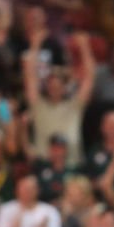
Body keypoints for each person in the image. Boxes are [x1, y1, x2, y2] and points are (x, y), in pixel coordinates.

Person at [23, 30, 93, 164]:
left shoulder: (74, 106)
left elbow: (89, 78)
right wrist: (35, 45)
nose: (54, 88)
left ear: (64, 88)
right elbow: (30, 76)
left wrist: (84, 47)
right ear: (47, 87)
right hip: (43, 163)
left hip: (72, 165)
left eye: (58, 85)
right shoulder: (38, 105)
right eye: (51, 85)